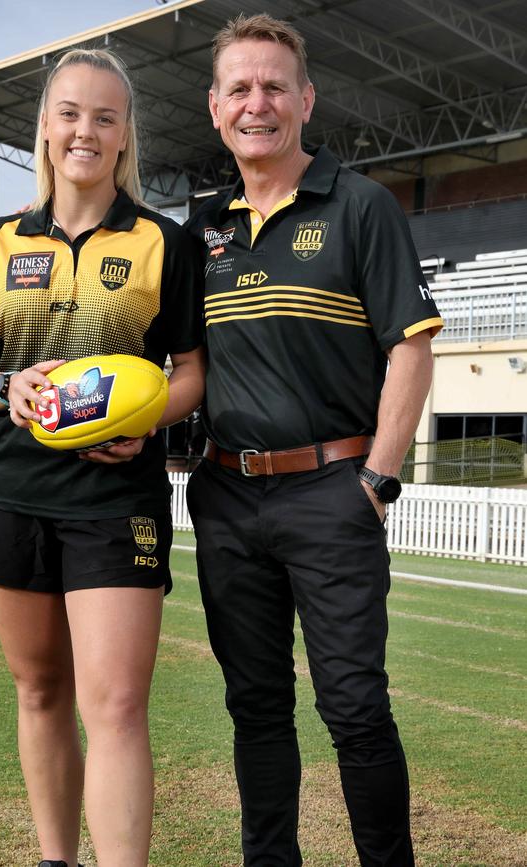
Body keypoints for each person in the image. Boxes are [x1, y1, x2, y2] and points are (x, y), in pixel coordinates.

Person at [184, 14, 443, 867]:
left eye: (273, 87)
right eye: (240, 89)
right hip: (226, 496)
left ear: (305, 99)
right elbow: (174, 366)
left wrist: (376, 480)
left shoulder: (360, 204)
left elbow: (410, 346)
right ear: (215, 107)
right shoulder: (201, 231)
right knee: (255, 707)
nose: (257, 104)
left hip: (333, 492)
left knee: (355, 706)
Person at [0, 48, 204, 867]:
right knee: (41, 689)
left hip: (114, 495)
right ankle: (57, 858)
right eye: (69, 113)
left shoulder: (166, 242)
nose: (85, 130)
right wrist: (10, 386)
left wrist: (149, 416)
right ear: (45, 129)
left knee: (118, 704)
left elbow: (192, 374)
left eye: (104, 116)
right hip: (14, 487)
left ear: (126, 136)